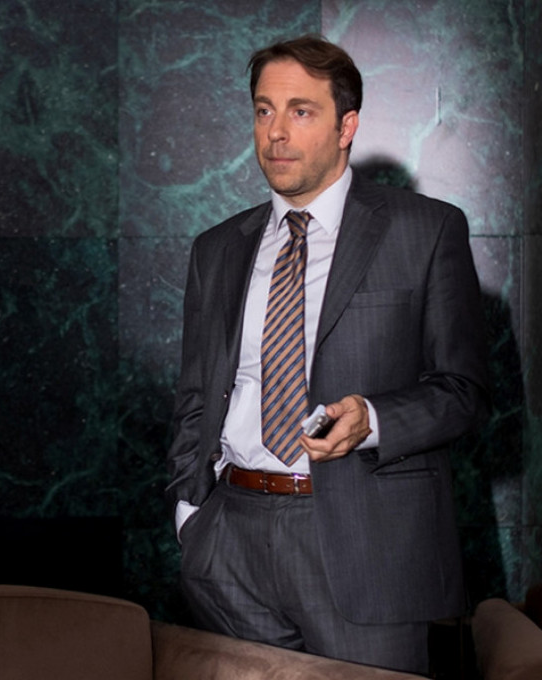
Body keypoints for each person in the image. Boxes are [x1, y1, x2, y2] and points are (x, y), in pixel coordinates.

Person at [166, 34, 489, 675]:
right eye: (264, 110)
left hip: (368, 546)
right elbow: (197, 395)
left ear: (347, 126)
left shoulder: (426, 230)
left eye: (301, 111)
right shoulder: (217, 249)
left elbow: (464, 391)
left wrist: (373, 419)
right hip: (228, 543)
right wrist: (190, 516)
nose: (276, 133)